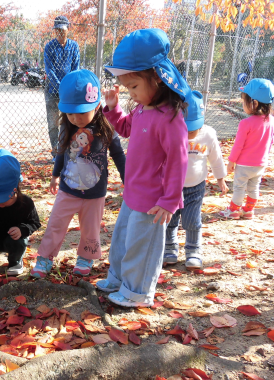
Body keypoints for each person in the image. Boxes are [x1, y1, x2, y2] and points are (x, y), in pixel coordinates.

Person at [98, 28, 190, 307]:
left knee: (142, 247)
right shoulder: (141, 109)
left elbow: (178, 161)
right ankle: (118, 278)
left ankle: (137, 291)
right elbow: (126, 128)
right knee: (123, 240)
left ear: (158, 77)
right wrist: (114, 108)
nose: (131, 94)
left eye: (134, 87)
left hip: (153, 201)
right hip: (132, 193)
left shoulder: (170, 119)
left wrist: (170, 200)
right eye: (127, 88)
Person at [30, 70, 126, 279]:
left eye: (81, 112)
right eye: (70, 113)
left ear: (97, 105)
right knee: (56, 223)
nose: (76, 118)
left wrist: (128, 180)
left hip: (95, 193)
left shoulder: (107, 127)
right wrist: (55, 176)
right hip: (68, 189)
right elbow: (61, 152)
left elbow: (118, 155)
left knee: (90, 229)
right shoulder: (67, 127)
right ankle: (45, 258)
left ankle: (86, 257)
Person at [164, 91, 228, 270]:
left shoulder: (208, 134)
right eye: (187, 128)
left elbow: (216, 158)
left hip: (195, 187)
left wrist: (220, 179)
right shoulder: (171, 131)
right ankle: (169, 248)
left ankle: (193, 250)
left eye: (194, 128)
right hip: (171, 187)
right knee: (170, 219)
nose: (190, 132)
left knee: (192, 221)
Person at [219, 78, 274, 220]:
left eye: (244, 101)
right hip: (260, 164)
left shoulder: (246, 123)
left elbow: (238, 145)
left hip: (244, 164)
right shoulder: (271, 121)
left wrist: (231, 161)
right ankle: (249, 210)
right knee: (254, 187)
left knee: (239, 187)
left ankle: (233, 211)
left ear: (254, 103)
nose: (242, 104)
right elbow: (270, 141)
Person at [44, 16, 80, 161]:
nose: (59, 33)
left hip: (69, 90)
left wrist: (69, 86)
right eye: (57, 30)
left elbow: (75, 67)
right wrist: (60, 86)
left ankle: (70, 150)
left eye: (62, 30)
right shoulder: (49, 47)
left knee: (71, 120)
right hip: (52, 90)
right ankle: (56, 152)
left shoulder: (74, 46)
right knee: (53, 123)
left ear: (67, 30)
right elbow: (49, 70)